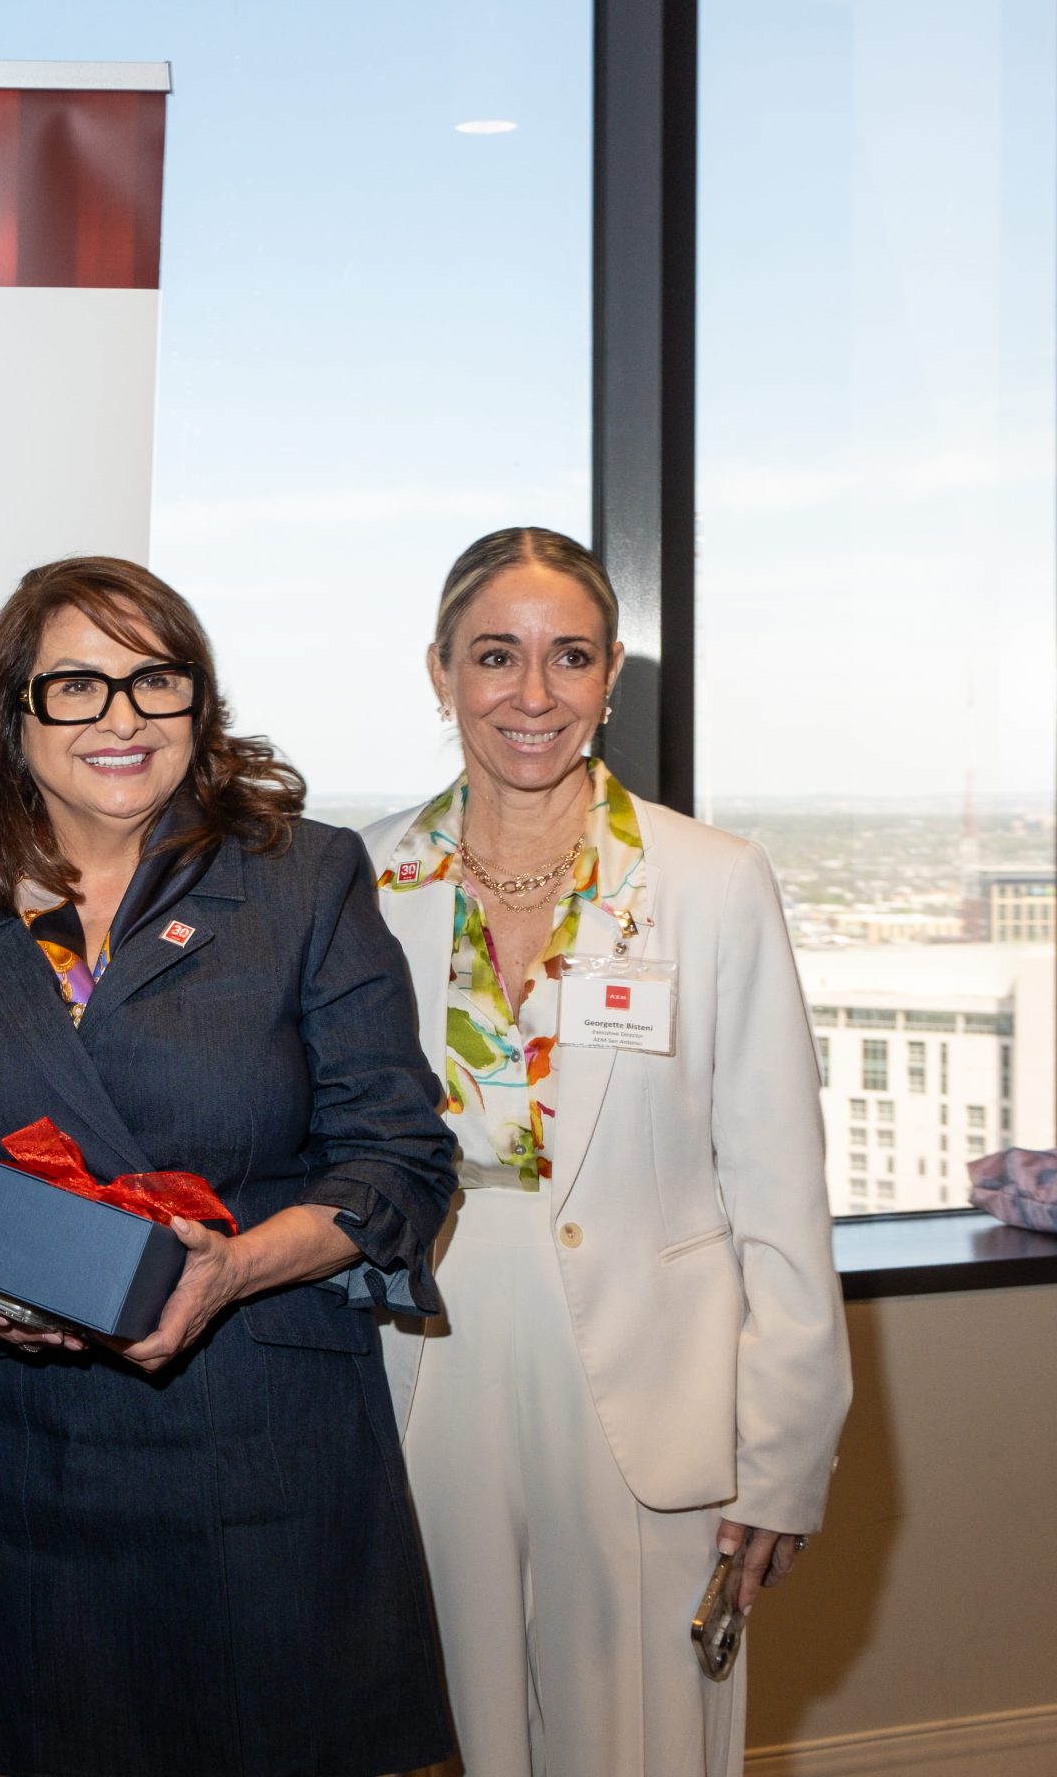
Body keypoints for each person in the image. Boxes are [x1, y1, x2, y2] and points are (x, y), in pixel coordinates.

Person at [0, 556, 459, 1777]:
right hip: (27, 1453)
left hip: (264, 1440)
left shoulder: (299, 877)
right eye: (75, 685)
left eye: (154, 680)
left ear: (196, 702)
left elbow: (400, 1158)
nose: (119, 717)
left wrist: (236, 1268)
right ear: (13, 717)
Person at [364, 526, 850, 1776]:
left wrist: (782, 1461)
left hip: (656, 1380)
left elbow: (779, 1192)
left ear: (610, 673)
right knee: (440, 1732)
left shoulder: (711, 881)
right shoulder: (357, 879)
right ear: (438, 672)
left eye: (568, 656)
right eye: (494, 656)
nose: (532, 695)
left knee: (641, 1739)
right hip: (419, 1363)